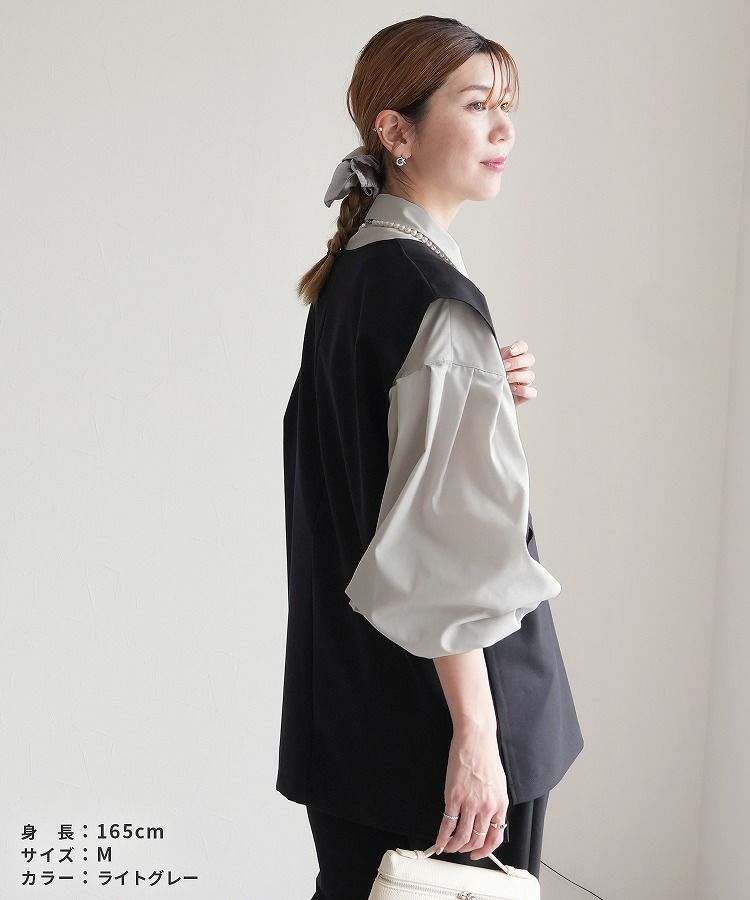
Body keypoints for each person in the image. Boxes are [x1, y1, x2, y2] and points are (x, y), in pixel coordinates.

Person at [276, 15, 584, 900]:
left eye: (506, 105)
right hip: (442, 737)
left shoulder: (355, 277)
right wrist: (477, 740)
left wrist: (480, 404)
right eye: (476, 104)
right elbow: (443, 552)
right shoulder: (432, 298)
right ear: (396, 131)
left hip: (357, 719)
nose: (504, 128)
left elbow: (371, 482)